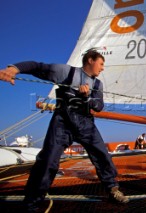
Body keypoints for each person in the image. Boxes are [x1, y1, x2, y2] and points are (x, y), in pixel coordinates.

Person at [0, 50, 129, 211]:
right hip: (62, 123)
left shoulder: (98, 84)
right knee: (47, 161)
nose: (103, 68)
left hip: (86, 124)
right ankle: (31, 203)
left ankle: (112, 189)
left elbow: (99, 106)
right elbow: (37, 67)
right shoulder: (66, 72)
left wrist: (87, 97)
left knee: (102, 156)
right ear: (90, 60)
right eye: (101, 63)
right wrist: (14, 69)